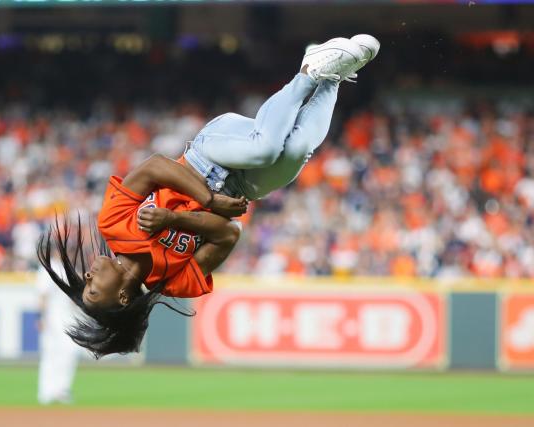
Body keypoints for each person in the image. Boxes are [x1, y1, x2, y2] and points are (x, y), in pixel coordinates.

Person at [37, 35, 380, 358]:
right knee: (297, 152)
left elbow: (156, 167)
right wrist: (176, 219)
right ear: (124, 297)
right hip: (242, 188)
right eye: (94, 290)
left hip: (208, 154)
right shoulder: (175, 283)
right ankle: (334, 77)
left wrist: (209, 204)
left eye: (87, 285)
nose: (88, 277)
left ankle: (308, 72)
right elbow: (230, 234)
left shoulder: (112, 225)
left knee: (266, 148)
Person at [36, 257, 81, 404]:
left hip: (67, 315)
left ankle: (60, 389)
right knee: (51, 353)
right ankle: (47, 392)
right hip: (52, 316)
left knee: (67, 351)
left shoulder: (67, 267)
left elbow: (73, 296)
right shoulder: (49, 268)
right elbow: (43, 295)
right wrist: (41, 317)